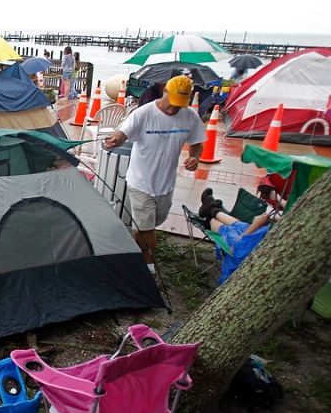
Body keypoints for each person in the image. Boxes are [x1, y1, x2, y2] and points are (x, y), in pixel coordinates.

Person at [104, 75, 206, 274]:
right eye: (172, 102)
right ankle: (148, 265)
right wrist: (114, 140)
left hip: (166, 184)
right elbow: (122, 133)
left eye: (179, 104)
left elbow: (196, 144)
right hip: (140, 183)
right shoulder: (144, 113)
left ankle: (137, 245)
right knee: (146, 228)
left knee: (155, 221)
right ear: (164, 91)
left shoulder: (190, 116)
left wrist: (195, 157)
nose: (174, 108)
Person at [198, 188, 273, 283]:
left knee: (228, 230)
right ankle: (212, 208)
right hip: (257, 239)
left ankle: (210, 213)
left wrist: (257, 223)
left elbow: (240, 240)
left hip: (244, 251)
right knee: (242, 226)